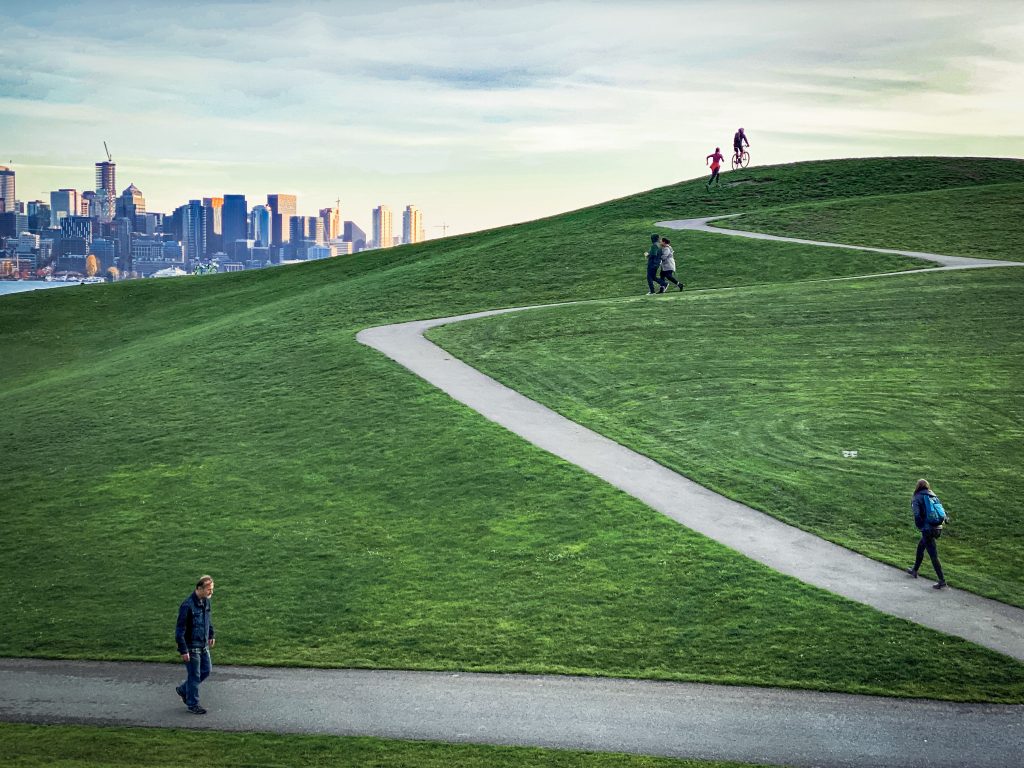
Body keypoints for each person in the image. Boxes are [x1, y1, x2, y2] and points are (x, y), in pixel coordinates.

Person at [175, 575, 216, 714]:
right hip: (192, 647)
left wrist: (211, 634)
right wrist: (183, 650)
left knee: (207, 670)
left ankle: (183, 690)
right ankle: (193, 703)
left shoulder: (206, 602)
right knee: (194, 675)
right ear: (199, 588)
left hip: (203, 644)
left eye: (212, 589)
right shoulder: (187, 606)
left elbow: (207, 620)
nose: (211, 592)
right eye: (209, 590)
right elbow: (180, 630)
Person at [906, 480, 947, 589]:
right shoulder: (932, 495)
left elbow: (917, 514)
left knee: (933, 555)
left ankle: (942, 580)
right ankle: (915, 569)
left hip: (928, 529)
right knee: (921, 546)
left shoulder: (917, 497)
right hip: (937, 527)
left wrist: (920, 526)